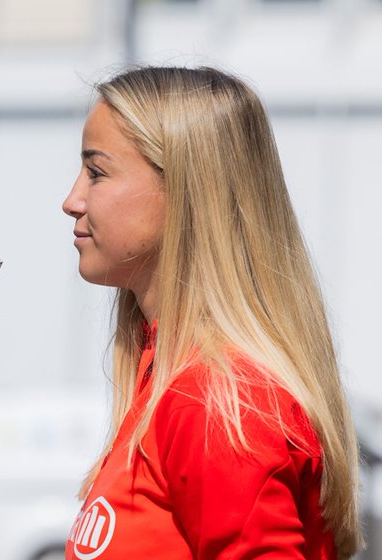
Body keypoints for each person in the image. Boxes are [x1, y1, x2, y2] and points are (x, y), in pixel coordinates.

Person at [61, 66, 361, 559]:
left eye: (96, 172)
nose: (71, 201)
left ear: (183, 188)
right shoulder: (169, 377)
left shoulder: (216, 400)